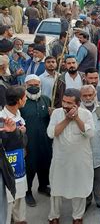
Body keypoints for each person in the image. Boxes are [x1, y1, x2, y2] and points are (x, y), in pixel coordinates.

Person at [47, 88, 94, 224]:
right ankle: (54, 216)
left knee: (80, 188)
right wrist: (67, 120)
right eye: (64, 101)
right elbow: (51, 133)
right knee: (56, 188)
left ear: (78, 104)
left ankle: (77, 217)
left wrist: (77, 119)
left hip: (80, 160)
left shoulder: (86, 114)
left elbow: (90, 134)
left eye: (69, 103)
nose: (65, 105)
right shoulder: (56, 113)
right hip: (60, 159)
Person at [21, 75, 52, 207]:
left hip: (45, 140)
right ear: (25, 86)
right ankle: (27, 192)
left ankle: (43, 186)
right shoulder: (21, 103)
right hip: (29, 142)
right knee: (30, 167)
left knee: (45, 164)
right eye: (30, 85)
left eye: (36, 85)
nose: (34, 88)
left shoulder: (46, 100)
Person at [80, 85, 100, 208]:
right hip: (83, 153)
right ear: (80, 97)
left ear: (95, 95)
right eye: (85, 96)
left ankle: (99, 200)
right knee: (85, 180)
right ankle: (86, 201)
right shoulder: (77, 109)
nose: (88, 98)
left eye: (90, 95)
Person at [1, 86, 28, 224]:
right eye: (25, 97)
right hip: (7, 166)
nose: (26, 99)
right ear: (19, 100)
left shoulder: (19, 115)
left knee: (20, 195)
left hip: (19, 164)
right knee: (7, 199)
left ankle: (20, 219)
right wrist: (18, 133)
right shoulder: (2, 119)